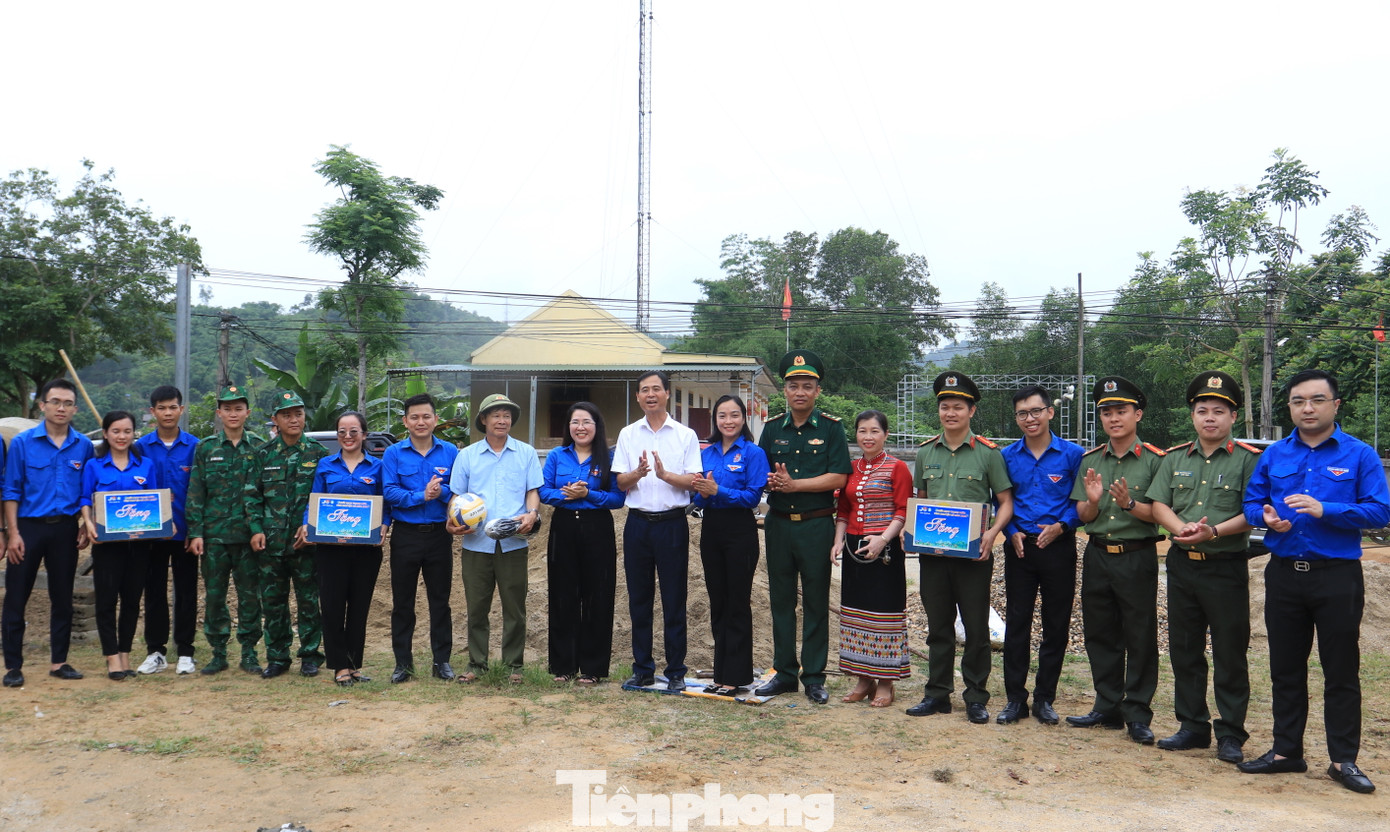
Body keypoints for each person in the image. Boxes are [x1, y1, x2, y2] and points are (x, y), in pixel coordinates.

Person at [1238, 369, 1390, 794]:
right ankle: (1287, 752)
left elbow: (1381, 511)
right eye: (1299, 401)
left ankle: (1344, 760)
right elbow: (1252, 501)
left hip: (1337, 577)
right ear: (1289, 406)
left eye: (1317, 400)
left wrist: (1328, 510)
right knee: (1285, 668)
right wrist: (1263, 517)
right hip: (1284, 575)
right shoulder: (1274, 455)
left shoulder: (1360, 455)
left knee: (1341, 669)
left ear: (1334, 405)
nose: (1307, 408)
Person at [1147, 372, 1260, 764]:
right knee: (1184, 648)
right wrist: (1180, 529)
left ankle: (1230, 732)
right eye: (1202, 411)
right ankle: (1192, 726)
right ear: (1192, 416)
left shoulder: (1248, 460)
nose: (1209, 417)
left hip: (1225, 565)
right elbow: (1159, 502)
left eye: (1218, 411)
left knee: (1230, 651)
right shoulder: (1175, 457)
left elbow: (1254, 512)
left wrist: (1210, 532)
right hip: (1182, 565)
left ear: (1233, 416)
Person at [906, 371, 1014, 723]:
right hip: (933, 556)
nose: (950, 413)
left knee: (976, 628)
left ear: (971, 411)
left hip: (973, 556)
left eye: (957, 407)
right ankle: (937, 694)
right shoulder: (925, 453)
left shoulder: (988, 454)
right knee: (938, 627)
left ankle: (976, 697)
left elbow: (1005, 502)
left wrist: (992, 534)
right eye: (944, 407)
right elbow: (921, 501)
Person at [1065, 376, 1165, 745]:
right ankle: (1106, 704)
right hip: (1098, 555)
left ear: (1137, 414)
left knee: (1139, 635)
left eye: (1121, 411)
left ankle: (1137, 712)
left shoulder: (1156, 461)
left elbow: (1159, 513)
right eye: (1106, 412)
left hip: (1137, 556)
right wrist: (1092, 501)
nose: (1113, 418)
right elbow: (1083, 514)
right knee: (1100, 632)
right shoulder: (1091, 460)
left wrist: (1128, 504)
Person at [757, 350, 851, 705]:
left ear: (817, 390)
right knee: (780, 602)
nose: (800, 391)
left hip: (816, 526)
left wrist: (795, 485)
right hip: (778, 525)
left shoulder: (831, 428)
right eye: (793, 385)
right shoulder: (770, 429)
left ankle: (813, 676)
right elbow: (760, 473)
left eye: (807, 386)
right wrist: (770, 482)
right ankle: (784, 674)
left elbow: (839, 475)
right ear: (785, 390)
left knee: (815, 602)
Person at [998, 386, 1083, 726]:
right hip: (1020, 547)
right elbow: (1001, 501)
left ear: (1050, 412)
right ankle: (1015, 700)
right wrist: (1010, 531)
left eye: (1035, 411)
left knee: (1056, 625)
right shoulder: (1006, 456)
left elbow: (1081, 502)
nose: (1029, 418)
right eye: (1022, 413)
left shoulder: (1073, 454)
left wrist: (1063, 525)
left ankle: (1045, 698)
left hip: (1058, 548)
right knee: (1016, 624)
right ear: (1016, 418)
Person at [613, 371, 703, 691]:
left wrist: (666, 476)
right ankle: (643, 669)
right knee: (639, 599)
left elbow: (694, 481)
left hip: (672, 525)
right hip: (637, 524)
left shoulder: (685, 435)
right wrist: (636, 474)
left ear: (667, 394)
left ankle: (676, 672)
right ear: (637, 397)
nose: (650, 394)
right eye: (644, 390)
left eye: (656, 389)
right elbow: (619, 482)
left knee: (674, 599)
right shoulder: (627, 434)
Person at [3, 379, 94, 687]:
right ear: (42, 405)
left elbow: (88, 490)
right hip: (28, 528)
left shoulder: (82, 445)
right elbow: (11, 490)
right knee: (16, 597)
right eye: (55, 401)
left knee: (62, 598)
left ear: (75, 409)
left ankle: (59, 661)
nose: (61, 408)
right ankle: (13, 665)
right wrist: (12, 533)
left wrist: (85, 523)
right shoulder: (23, 443)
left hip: (65, 530)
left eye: (68, 403)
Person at [447, 393, 542, 684]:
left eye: (507, 415)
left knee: (515, 607)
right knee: (477, 607)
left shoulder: (526, 453)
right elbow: (456, 497)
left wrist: (532, 513)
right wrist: (452, 524)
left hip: (514, 542)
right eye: (496, 415)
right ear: (484, 420)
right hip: (476, 543)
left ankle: (515, 665)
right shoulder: (467, 456)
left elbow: (532, 491)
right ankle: (477, 664)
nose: (502, 420)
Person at [539, 402, 625, 685]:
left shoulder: (608, 459)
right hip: (563, 527)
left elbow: (617, 499)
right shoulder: (556, 455)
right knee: (563, 595)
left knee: (597, 596)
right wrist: (566, 496)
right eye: (575, 422)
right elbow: (543, 491)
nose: (580, 427)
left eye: (586, 422)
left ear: (597, 426)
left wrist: (588, 495)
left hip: (597, 529)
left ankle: (593, 668)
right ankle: (563, 666)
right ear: (569, 428)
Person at [247, 391, 329, 679]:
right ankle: (278, 657)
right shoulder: (263, 455)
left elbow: (326, 498)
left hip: (306, 544)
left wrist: (315, 528)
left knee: (309, 602)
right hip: (270, 544)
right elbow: (252, 496)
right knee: (273, 603)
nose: (294, 419)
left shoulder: (318, 454)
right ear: (275, 420)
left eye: (298, 413)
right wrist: (256, 530)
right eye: (286, 415)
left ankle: (310, 656)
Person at [831, 409, 911, 707]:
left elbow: (903, 510)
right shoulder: (850, 468)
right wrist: (838, 541)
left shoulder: (898, 467)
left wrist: (883, 539)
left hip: (886, 549)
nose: (868, 436)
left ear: (885, 434)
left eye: (874, 431)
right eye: (862, 431)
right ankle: (863, 679)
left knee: (884, 615)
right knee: (856, 612)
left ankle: (886, 682)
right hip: (854, 547)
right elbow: (843, 510)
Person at [186, 384, 267, 676]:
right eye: (227, 409)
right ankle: (218, 652)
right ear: (219, 413)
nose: (233, 414)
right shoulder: (206, 447)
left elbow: (264, 492)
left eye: (238, 408)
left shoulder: (259, 446)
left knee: (249, 597)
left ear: (247, 412)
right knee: (215, 596)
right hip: (214, 538)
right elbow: (196, 492)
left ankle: (249, 653)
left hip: (249, 538)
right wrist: (195, 532)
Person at [691, 395, 769, 695]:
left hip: (740, 531)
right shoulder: (706, 453)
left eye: (734, 415)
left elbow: (752, 498)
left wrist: (717, 489)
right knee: (718, 601)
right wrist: (702, 492)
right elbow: (698, 498)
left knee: (737, 602)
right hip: (711, 530)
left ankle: (737, 676)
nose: (728, 421)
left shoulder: (753, 453)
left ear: (743, 419)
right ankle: (721, 673)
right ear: (715, 420)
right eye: (722, 416)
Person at [306, 411, 389, 687]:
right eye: (342, 432)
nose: (348, 437)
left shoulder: (377, 467)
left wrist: (385, 526)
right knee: (331, 606)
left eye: (354, 431)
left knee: (359, 607)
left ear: (364, 435)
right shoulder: (325, 465)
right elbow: (314, 501)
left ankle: (354, 664)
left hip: (366, 550)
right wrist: (309, 525)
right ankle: (339, 666)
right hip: (331, 549)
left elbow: (385, 503)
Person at [381, 393, 459, 684]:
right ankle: (403, 664)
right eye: (414, 417)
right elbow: (388, 491)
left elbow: (462, 489)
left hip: (440, 536)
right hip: (405, 536)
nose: (421, 421)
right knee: (403, 603)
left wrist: (444, 493)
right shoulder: (394, 453)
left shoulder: (450, 452)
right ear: (405, 422)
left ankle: (442, 662)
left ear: (436, 419)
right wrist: (420, 495)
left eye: (426, 416)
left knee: (440, 602)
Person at [80, 411, 159, 681]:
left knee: (132, 601)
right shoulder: (94, 465)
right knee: (106, 601)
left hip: (139, 546)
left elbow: (155, 502)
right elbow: (85, 498)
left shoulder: (146, 465)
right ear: (105, 434)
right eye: (116, 431)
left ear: (134, 433)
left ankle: (125, 654)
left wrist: (155, 524)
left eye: (127, 431)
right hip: (106, 546)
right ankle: (111, 657)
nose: (122, 436)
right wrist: (88, 523)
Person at [134, 386, 200, 675]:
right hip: (151, 536)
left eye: (173, 407)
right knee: (154, 592)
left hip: (186, 534)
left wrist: (196, 531)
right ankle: (156, 651)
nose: (168, 413)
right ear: (153, 412)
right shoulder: (140, 447)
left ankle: (185, 651)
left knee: (187, 592)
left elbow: (200, 492)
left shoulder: (196, 446)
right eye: (162, 408)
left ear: (181, 410)